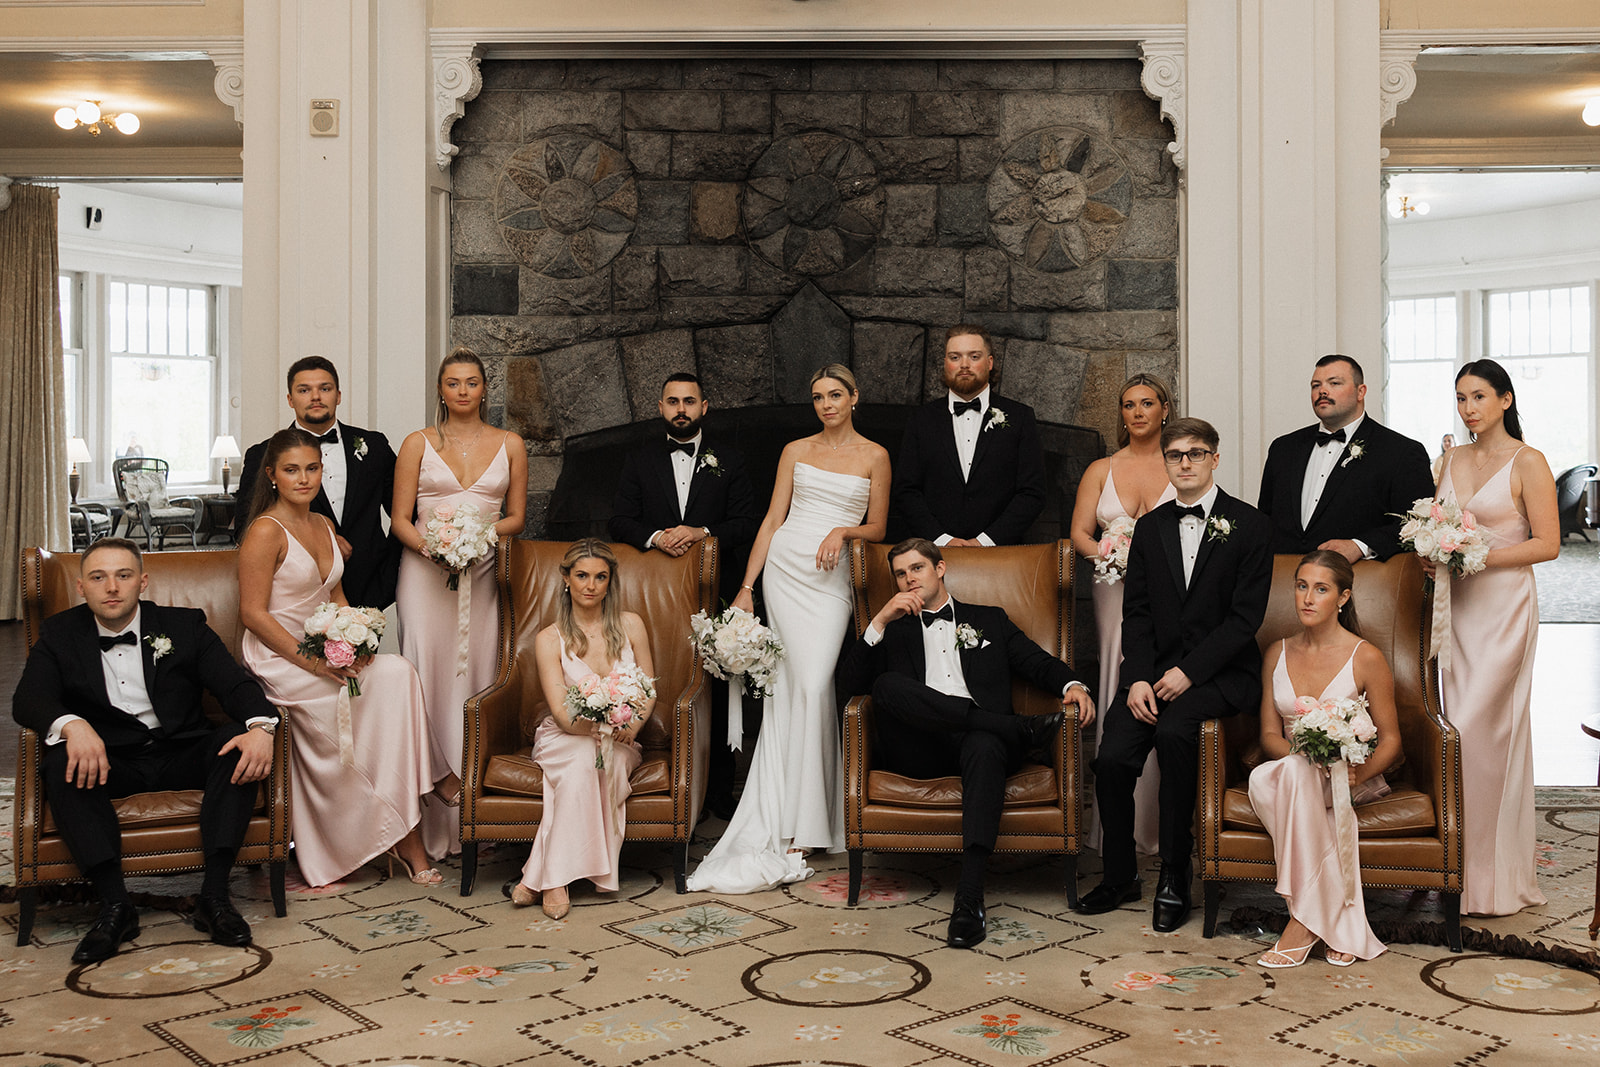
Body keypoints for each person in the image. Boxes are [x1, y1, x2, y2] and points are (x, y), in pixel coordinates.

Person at [12, 539, 277, 964]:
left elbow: (234, 684)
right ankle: (116, 906)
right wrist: (74, 726)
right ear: (82, 587)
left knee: (235, 745)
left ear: (143, 581)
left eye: (123, 575)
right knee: (62, 760)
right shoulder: (60, 633)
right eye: (98, 577)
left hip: (181, 751)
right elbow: (28, 700)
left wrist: (261, 726)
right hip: (112, 761)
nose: (112, 587)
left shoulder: (184, 625)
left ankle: (214, 898)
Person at [686, 364, 890, 894]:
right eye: (818, 396)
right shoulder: (795, 450)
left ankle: (817, 817)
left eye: (836, 395)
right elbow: (772, 519)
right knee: (787, 691)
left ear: (854, 397)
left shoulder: (875, 455)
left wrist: (843, 530)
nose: (827, 404)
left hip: (830, 577)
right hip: (783, 569)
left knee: (818, 684)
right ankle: (796, 824)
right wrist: (748, 587)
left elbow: (880, 527)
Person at [838, 538, 1094, 947]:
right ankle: (1012, 728)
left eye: (917, 569)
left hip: (981, 747)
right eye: (901, 574)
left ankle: (969, 897)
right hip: (919, 749)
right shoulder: (893, 629)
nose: (909, 579)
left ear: (940, 569)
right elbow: (849, 687)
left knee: (984, 744)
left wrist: (1073, 683)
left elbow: (1036, 661)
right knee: (886, 685)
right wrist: (879, 622)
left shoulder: (988, 620)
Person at [1077, 418, 1272, 932]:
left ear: (1214, 459)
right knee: (1113, 758)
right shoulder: (1150, 528)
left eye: (1196, 453)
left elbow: (1243, 620)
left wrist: (1188, 672)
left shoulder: (1250, 525)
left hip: (1218, 675)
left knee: (1175, 735)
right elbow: (1136, 613)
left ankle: (1174, 873)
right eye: (1176, 455)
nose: (1185, 462)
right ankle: (1120, 874)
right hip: (1151, 675)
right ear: (1165, 462)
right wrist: (1138, 677)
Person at [239, 428, 448, 888]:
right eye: (292, 470)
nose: (304, 479)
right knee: (367, 703)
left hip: (325, 647)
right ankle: (408, 830)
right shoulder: (263, 532)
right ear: (272, 476)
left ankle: (410, 813)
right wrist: (315, 663)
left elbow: (336, 597)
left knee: (397, 672)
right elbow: (253, 615)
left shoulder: (322, 527)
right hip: (280, 657)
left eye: (312, 469)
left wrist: (357, 643)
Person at [1434, 359, 1558, 916]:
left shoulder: (1528, 461)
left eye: (1479, 397)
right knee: (1452, 728)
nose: (1468, 409)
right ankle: (1451, 865)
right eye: (1461, 398)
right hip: (1454, 608)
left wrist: (1480, 556)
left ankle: (1491, 877)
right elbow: (1436, 525)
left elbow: (1548, 544)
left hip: (1504, 607)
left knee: (1487, 731)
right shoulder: (1449, 457)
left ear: (1505, 400)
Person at [393, 347, 527, 859]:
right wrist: (437, 549)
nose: (463, 391)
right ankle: (431, 797)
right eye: (453, 383)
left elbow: (515, 517)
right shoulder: (417, 443)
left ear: (485, 389)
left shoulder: (510, 443)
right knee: (425, 674)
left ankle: (478, 811)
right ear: (441, 391)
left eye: (472, 382)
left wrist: (474, 541)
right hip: (425, 577)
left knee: (477, 677)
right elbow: (400, 520)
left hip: (485, 571)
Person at [609, 372, 760, 819]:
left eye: (689, 401)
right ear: (660, 408)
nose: (681, 409)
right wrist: (656, 536)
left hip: (715, 594)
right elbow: (618, 520)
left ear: (704, 407)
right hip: (651, 596)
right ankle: (655, 785)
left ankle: (717, 795)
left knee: (712, 691)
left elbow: (747, 523)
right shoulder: (639, 460)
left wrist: (701, 532)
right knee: (660, 680)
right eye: (672, 401)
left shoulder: (730, 459)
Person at [1247, 550, 1402, 967]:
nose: (1308, 598)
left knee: (1294, 781)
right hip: (1288, 774)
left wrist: (1351, 773)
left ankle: (1302, 923)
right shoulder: (1276, 652)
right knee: (1285, 773)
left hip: (1347, 777)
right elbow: (1267, 735)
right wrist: (1306, 759)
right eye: (1301, 586)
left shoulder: (1365, 656)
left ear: (1343, 597)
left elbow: (1391, 742)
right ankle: (1333, 922)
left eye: (1321, 589)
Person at [512, 539, 656, 918]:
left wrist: (632, 726)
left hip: (621, 739)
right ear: (565, 579)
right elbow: (562, 714)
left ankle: (537, 878)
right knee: (581, 760)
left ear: (610, 582)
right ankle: (555, 881)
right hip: (564, 736)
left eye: (600, 577)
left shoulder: (631, 624)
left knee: (595, 762)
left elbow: (648, 689)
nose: (590, 585)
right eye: (582, 576)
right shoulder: (549, 638)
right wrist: (596, 728)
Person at [1069, 373, 1176, 857]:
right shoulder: (1100, 468)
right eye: (1128, 404)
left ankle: (1158, 823)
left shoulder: (1183, 462)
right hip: (1112, 586)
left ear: (1164, 410)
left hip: (1172, 590)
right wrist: (1111, 557)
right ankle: (1114, 826)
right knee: (1117, 675)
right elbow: (1080, 535)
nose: (1137, 412)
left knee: (1162, 677)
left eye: (1146, 403)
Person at [235, 356, 402, 609]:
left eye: (325, 388)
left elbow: (405, 513)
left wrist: (389, 576)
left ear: (338, 395)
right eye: (304, 390)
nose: (316, 397)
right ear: (290, 399)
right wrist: (320, 541)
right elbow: (246, 530)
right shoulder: (262, 454)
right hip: (300, 594)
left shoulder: (375, 446)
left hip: (371, 589)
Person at [1257, 354, 1434, 562]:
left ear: (1361, 392)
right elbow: (1265, 520)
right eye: (1316, 385)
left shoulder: (1401, 452)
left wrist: (1360, 546)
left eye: (1334, 383)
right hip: (1281, 580)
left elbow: (1418, 524)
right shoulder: (1283, 448)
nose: (1322, 391)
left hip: (1358, 582)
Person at [892, 324, 1046, 546]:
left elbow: (1032, 492)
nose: (964, 365)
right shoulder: (920, 420)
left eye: (974, 356)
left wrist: (985, 541)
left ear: (990, 362)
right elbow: (906, 491)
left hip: (1002, 555)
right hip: (932, 553)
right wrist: (942, 540)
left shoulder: (1020, 418)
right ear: (945, 363)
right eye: (955, 357)